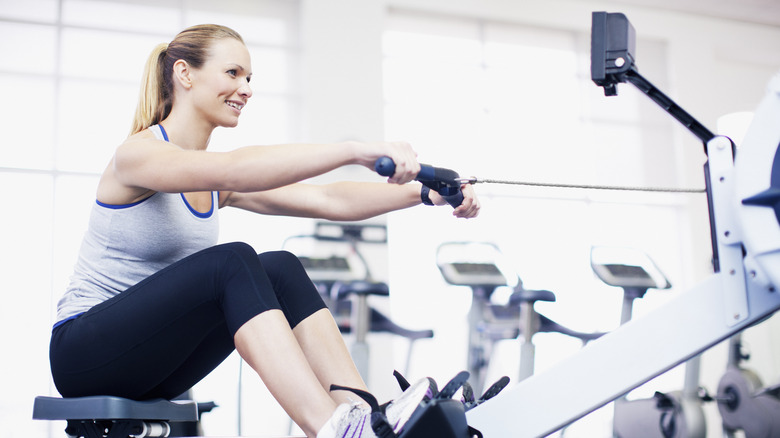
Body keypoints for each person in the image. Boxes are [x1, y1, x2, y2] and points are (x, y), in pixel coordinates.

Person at [48, 24, 480, 438]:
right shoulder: (137, 155)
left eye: (249, 78)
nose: (246, 88)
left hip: (153, 362)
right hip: (83, 355)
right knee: (231, 261)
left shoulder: (214, 181)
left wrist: (425, 195)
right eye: (232, 73)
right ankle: (331, 428)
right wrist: (354, 151)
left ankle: (366, 419)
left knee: (280, 269)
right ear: (184, 74)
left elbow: (328, 200)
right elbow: (233, 168)